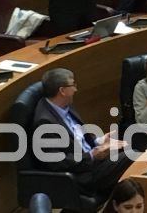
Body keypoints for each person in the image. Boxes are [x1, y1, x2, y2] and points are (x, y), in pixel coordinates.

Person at [32, 68, 131, 198]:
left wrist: (99, 140)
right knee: (131, 157)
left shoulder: (64, 105)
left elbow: (78, 136)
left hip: (91, 162)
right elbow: (57, 162)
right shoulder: (45, 122)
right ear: (62, 91)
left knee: (130, 145)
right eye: (73, 85)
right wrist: (92, 155)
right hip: (81, 174)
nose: (76, 89)